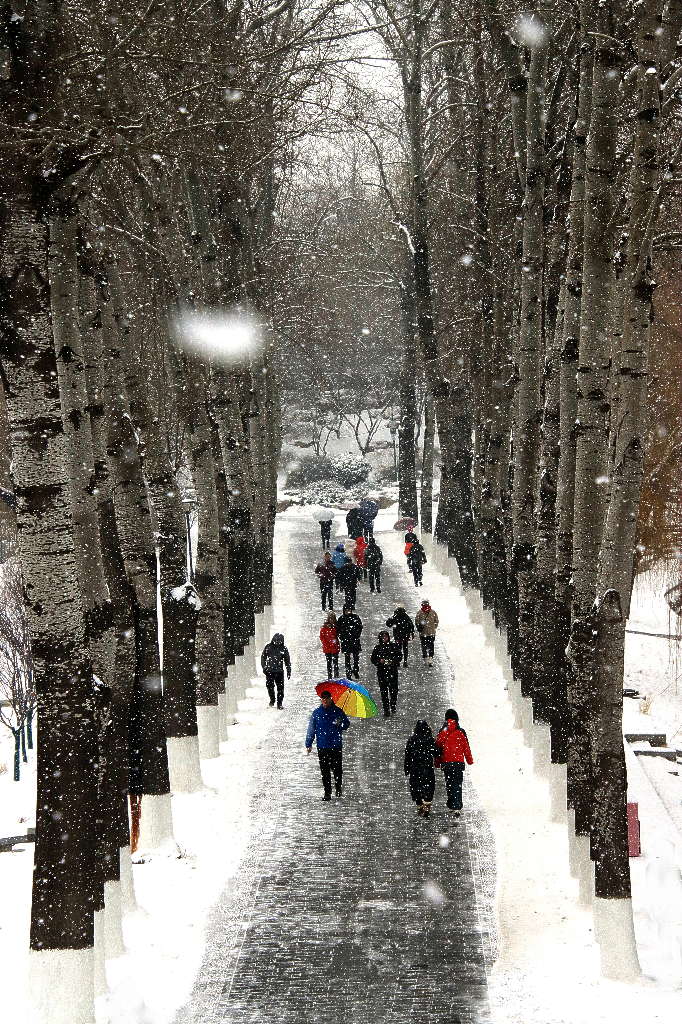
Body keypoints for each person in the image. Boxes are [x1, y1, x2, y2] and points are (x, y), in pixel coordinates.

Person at [305, 689, 350, 800]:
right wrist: (308, 743)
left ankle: (338, 787)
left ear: (331, 699)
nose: (324, 700)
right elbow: (311, 729)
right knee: (325, 771)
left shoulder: (338, 712)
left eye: (326, 698)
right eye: (323, 698)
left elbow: (346, 724)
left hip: (336, 746)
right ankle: (327, 792)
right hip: (322, 746)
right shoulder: (317, 713)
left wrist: (340, 723)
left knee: (337, 769)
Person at [435, 709, 474, 814]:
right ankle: (457, 805)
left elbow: (438, 749)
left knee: (449, 783)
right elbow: (466, 747)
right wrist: (469, 760)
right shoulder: (461, 732)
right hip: (458, 763)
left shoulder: (442, 732)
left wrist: (437, 762)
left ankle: (452, 804)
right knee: (457, 783)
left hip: (447, 763)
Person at [404, 721, 438, 817]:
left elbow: (407, 756)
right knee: (428, 786)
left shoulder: (411, 740)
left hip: (415, 767)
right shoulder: (430, 739)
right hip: (427, 767)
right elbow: (436, 752)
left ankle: (419, 805)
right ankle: (427, 804)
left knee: (416, 786)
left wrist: (407, 768)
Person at [370, 630, 402, 717]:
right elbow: (373, 659)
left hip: (392, 671)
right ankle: (386, 708)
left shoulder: (393, 646)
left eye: (386, 637)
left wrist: (393, 661)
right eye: (383, 637)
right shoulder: (377, 648)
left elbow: (399, 656)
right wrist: (379, 661)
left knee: (393, 690)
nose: (384, 639)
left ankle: (393, 704)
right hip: (382, 673)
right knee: (384, 692)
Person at [260, 633, 291, 709]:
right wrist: (264, 667)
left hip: (279, 671)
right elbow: (263, 657)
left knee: (280, 688)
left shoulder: (283, 648)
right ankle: (272, 700)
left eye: (279, 641)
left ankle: (279, 703)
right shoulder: (268, 647)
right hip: (270, 671)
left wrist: (288, 671)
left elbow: (287, 661)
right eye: (276, 640)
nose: (277, 642)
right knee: (270, 687)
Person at [336, 605, 363, 680]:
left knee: (356, 657)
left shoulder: (355, 617)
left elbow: (359, 627)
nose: (348, 611)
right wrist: (342, 637)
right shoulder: (341, 619)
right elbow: (338, 630)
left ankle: (355, 670)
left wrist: (356, 635)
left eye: (349, 610)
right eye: (346, 610)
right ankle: (348, 673)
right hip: (346, 642)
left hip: (354, 640)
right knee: (347, 658)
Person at [415, 599, 439, 666]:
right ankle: (430, 658)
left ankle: (425, 657)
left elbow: (416, 622)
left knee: (424, 645)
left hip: (423, 633)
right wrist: (433, 627)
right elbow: (436, 621)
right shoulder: (433, 612)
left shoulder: (419, 613)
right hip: (431, 633)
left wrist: (420, 627)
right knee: (431, 645)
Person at [320, 612, 340, 679]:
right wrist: (328, 643)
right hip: (328, 648)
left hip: (334, 648)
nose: (331, 620)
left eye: (333, 619)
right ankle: (330, 676)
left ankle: (336, 675)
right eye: (330, 619)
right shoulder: (325, 628)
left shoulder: (336, 627)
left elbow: (338, 635)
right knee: (329, 663)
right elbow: (322, 637)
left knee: (335, 663)